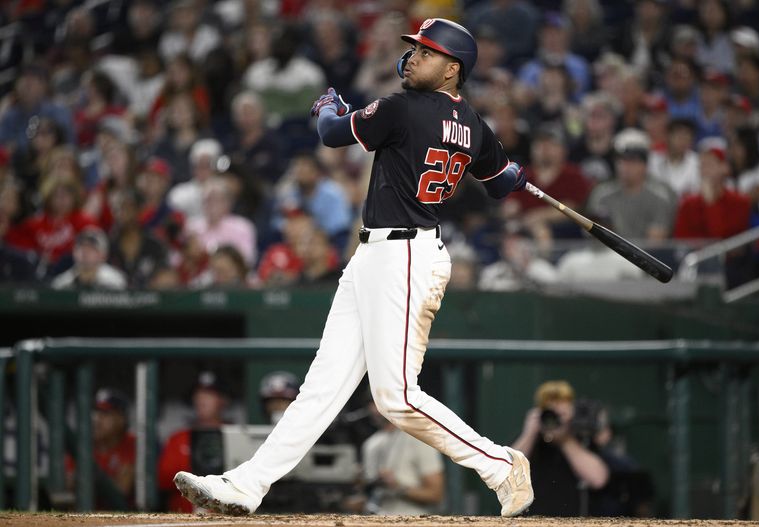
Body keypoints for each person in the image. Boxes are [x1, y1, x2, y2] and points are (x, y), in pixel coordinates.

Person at [173, 18, 534, 518]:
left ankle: (501, 464)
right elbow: (497, 183)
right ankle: (247, 485)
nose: (412, 58)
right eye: (413, 50)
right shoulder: (473, 123)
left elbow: (331, 134)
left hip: (405, 257)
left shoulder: (403, 107)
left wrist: (327, 108)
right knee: (322, 387)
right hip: (378, 255)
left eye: (426, 53)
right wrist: (512, 173)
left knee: (398, 398)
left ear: (452, 68)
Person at [511, 381, 609, 517]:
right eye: (551, 413)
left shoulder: (580, 440)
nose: (554, 420)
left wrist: (565, 440)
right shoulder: (532, 441)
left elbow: (598, 479)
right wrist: (530, 432)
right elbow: (507, 471)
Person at [359, 395, 445, 515]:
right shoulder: (370, 444)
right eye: (372, 402)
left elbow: (435, 494)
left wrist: (397, 486)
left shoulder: (419, 438)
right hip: (377, 518)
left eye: (379, 401)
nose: (374, 408)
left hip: (414, 520)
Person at [159, 371, 231, 512]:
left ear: (223, 400)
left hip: (226, 518)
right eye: (198, 394)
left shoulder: (234, 434)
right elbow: (163, 480)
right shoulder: (178, 438)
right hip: (182, 518)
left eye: (209, 394)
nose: (201, 399)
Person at [51, 226, 127, 290]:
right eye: (81, 247)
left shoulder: (115, 281)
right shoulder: (62, 284)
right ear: (74, 252)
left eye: (91, 248)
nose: (85, 252)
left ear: (103, 255)